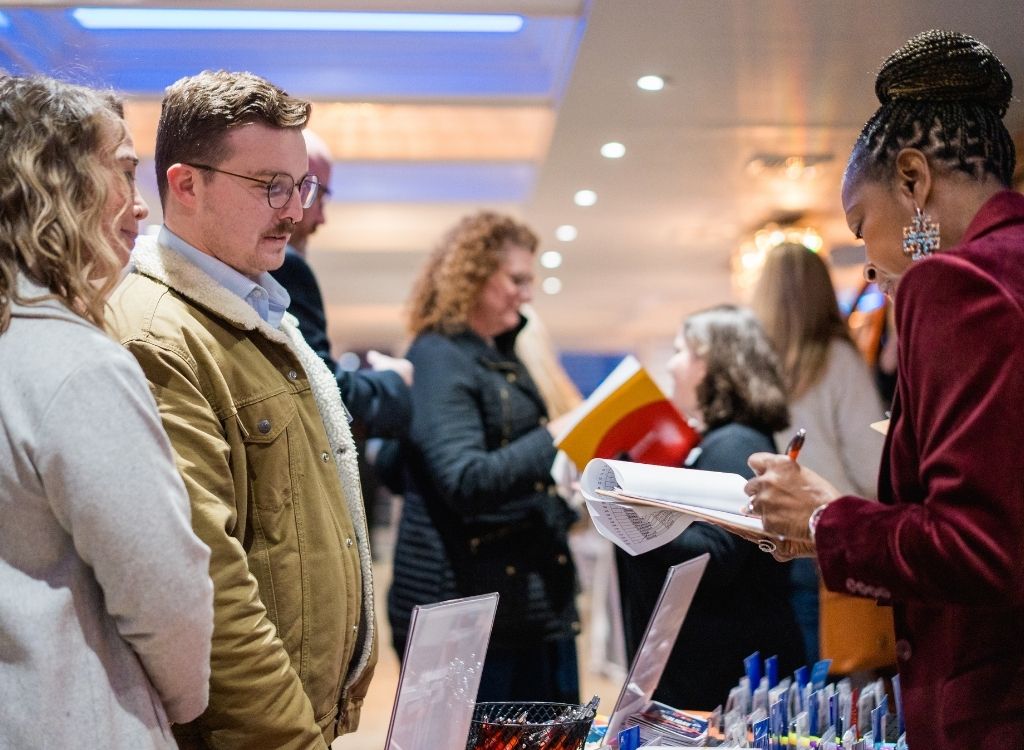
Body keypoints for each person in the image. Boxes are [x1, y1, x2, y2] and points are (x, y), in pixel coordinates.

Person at [746, 30, 1024, 748]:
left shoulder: (955, 281)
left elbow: (981, 545)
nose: (870, 268)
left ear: (912, 180)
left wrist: (823, 521)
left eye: (861, 228)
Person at [106, 70, 376, 749]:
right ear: (186, 184)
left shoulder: (260, 309)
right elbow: (208, 590)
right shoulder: (155, 333)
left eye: (301, 185)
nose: (295, 210)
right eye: (270, 186)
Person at [0, 75, 213, 748]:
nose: (141, 209)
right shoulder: (76, 363)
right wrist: (180, 704)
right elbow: (165, 593)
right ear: (56, 182)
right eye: (123, 170)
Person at [388, 210, 581, 704]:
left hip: (522, 604)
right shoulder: (439, 355)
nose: (527, 293)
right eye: (516, 279)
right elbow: (465, 479)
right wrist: (556, 436)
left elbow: (514, 473)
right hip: (465, 613)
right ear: (473, 275)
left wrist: (565, 500)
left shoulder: (501, 354)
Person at [616, 305, 805, 710]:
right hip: (722, 666)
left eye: (681, 351)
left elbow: (712, 555)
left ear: (714, 364)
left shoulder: (733, 443)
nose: (672, 366)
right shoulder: (727, 440)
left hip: (723, 678)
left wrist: (624, 506)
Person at [751, 242, 885, 663]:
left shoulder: (755, 369)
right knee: (842, 692)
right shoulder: (838, 360)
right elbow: (872, 468)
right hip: (826, 535)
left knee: (792, 685)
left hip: (769, 541)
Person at [269, 128, 412, 438]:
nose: (322, 219)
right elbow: (322, 389)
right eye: (319, 195)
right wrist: (393, 381)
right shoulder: (286, 266)